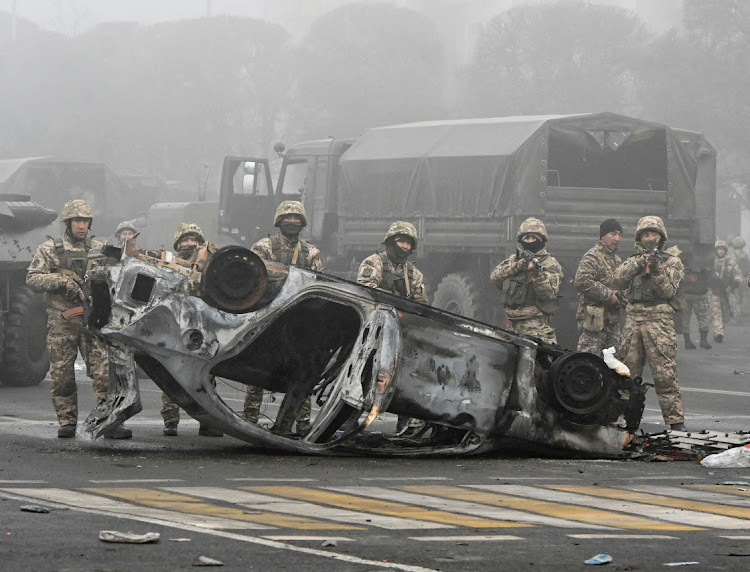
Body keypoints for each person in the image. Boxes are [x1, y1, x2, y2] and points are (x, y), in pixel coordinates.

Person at [26, 199, 132, 439]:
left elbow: (119, 274)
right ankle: (67, 421)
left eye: (85, 221)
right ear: (68, 222)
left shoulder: (98, 249)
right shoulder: (51, 249)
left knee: (104, 375)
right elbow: (32, 279)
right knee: (62, 376)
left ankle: (109, 421)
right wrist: (61, 281)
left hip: (92, 321)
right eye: (77, 221)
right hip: (62, 322)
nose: (81, 226)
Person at [243, 201, 323, 434]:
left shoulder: (311, 253)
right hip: (268, 316)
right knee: (258, 368)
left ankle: (302, 421)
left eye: (296, 219)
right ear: (279, 221)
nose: (292, 222)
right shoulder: (263, 247)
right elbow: (253, 279)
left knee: (303, 370)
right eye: (287, 218)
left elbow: (319, 285)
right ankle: (250, 418)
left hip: (300, 321)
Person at [613, 215, 686, 431]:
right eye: (646, 234)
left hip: (659, 320)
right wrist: (639, 263)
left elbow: (667, 291)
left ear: (661, 236)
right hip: (634, 320)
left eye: (654, 234)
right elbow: (617, 279)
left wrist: (656, 269)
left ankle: (675, 422)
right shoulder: (633, 260)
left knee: (665, 374)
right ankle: (625, 421)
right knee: (627, 373)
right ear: (640, 237)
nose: (650, 237)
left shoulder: (672, 262)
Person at [358, 220, 427, 434]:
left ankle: (404, 422)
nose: (404, 246)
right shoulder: (374, 262)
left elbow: (420, 303)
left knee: (402, 377)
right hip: (373, 330)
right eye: (400, 241)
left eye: (408, 243)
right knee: (364, 375)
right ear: (390, 241)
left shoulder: (413, 274)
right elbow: (365, 289)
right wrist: (395, 298)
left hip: (399, 331)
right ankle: (348, 418)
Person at [162, 223, 224, 437]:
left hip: (202, 327)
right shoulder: (167, 264)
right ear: (178, 244)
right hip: (175, 326)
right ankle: (170, 420)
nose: (189, 244)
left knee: (206, 375)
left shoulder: (209, 264)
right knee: (171, 372)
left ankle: (209, 422)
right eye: (185, 240)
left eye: (194, 240)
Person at [490, 218, 564, 344]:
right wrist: (516, 267)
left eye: (533, 238)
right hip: (511, 326)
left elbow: (549, 293)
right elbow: (495, 277)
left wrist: (536, 275)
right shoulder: (514, 260)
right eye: (526, 238)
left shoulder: (549, 263)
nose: (530, 241)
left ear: (541, 240)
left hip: (535, 328)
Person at [574, 218, 625, 358]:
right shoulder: (592, 257)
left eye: (620, 234)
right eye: (613, 234)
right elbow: (582, 281)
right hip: (593, 321)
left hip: (612, 322)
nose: (617, 238)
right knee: (588, 362)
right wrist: (609, 295)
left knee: (614, 364)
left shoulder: (617, 260)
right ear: (603, 235)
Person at [708, 239, 742, 343]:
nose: (721, 251)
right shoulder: (711, 261)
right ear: (716, 250)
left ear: (725, 250)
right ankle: (718, 332)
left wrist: (736, 281)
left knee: (725, 315)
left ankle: (719, 330)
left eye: (722, 249)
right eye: (719, 249)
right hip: (714, 291)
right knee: (716, 312)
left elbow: (738, 273)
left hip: (726, 292)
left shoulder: (730, 262)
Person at [681, 248, 713, 350]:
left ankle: (687, 342)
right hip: (700, 293)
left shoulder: (682, 259)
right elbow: (709, 275)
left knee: (685, 318)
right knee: (703, 316)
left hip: (686, 293)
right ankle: (703, 340)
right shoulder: (705, 257)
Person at [730, 236, 749, 324]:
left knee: (735, 298)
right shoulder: (745, 255)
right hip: (744, 280)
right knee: (741, 298)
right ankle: (740, 315)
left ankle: (737, 317)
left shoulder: (733, 255)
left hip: (736, 279)